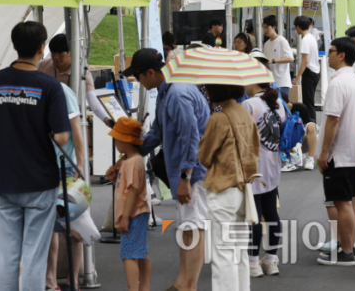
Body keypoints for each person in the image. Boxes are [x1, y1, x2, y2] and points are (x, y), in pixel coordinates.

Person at [0, 21, 71, 290]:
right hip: (40, 182)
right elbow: (62, 137)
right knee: (34, 256)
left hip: (4, 180)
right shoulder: (50, 86)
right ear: (42, 48)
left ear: (15, 45)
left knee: (7, 256)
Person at [131, 48, 210, 291]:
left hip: (193, 172)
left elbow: (191, 137)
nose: (138, 82)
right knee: (187, 226)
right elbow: (157, 133)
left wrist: (186, 177)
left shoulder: (176, 94)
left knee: (193, 226)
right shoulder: (168, 92)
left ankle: (189, 284)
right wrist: (131, 152)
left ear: (151, 72)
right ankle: (183, 282)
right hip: (187, 171)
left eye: (138, 76)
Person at [197, 84, 260, 290]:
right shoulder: (245, 113)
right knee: (240, 252)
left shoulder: (218, 119)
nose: (207, 92)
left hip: (222, 188)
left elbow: (204, 158)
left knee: (223, 254)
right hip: (244, 189)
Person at [316, 37, 355, 266]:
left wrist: (324, 152)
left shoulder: (338, 82)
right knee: (350, 201)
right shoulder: (353, 79)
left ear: (342, 54)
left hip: (340, 153)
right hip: (352, 151)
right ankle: (349, 245)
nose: (329, 54)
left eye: (331, 50)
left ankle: (346, 252)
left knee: (342, 203)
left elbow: (333, 120)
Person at [243, 81, 288, 277]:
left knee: (254, 215)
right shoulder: (276, 100)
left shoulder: (249, 105)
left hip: (253, 166)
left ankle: (253, 262)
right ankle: (271, 260)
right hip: (273, 164)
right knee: (271, 214)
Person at [45, 83, 85, 291]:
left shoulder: (61, 91)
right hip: (44, 167)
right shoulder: (35, 88)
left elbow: (76, 128)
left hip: (66, 167)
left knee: (73, 226)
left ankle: (73, 279)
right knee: (49, 227)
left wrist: (80, 163)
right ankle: (50, 281)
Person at [105, 117, 151, 291]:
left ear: (126, 140)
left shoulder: (131, 163)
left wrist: (125, 217)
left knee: (128, 253)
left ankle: (133, 288)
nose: (115, 142)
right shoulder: (132, 161)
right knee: (141, 251)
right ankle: (143, 288)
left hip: (132, 213)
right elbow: (125, 187)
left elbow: (132, 191)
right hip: (138, 212)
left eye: (117, 139)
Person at [38, 34, 112, 127]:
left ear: (71, 52)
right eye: (53, 53)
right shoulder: (42, 65)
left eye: (61, 53)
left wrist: (105, 118)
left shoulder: (82, 74)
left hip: (69, 123)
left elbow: (92, 100)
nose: (56, 57)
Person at [292, 16, 320, 123]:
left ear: (298, 27)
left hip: (309, 73)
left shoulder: (305, 40)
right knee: (309, 101)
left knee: (308, 102)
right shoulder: (312, 37)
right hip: (315, 72)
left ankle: (311, 125)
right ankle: (312, 124)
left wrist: (297, 78)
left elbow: (305, 61)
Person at [280, 92, 318, 172]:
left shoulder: (300, 107)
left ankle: (310, 159)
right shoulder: (277, 112)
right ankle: (288, 160)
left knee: (311, 126)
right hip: (285, 142)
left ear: (284, 102)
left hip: (300, 139)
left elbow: (305, 126)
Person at [263, 15, 294, 95]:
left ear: (274, 27)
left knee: (282, 106)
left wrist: (273, 61)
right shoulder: (266, 44)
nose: (265, 30)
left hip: (282, 82)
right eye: (263, 28)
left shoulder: (282, 40)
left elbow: (290, 58)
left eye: (267, 27)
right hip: (271, 83)